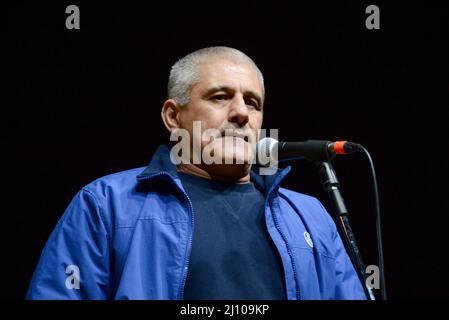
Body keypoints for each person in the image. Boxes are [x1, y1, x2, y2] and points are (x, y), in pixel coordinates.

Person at [26, 46, 367, 300]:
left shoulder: (309, 216)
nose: (240, 114)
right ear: (173, 117)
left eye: (253, 102)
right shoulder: (105, 204)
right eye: (220, 97)